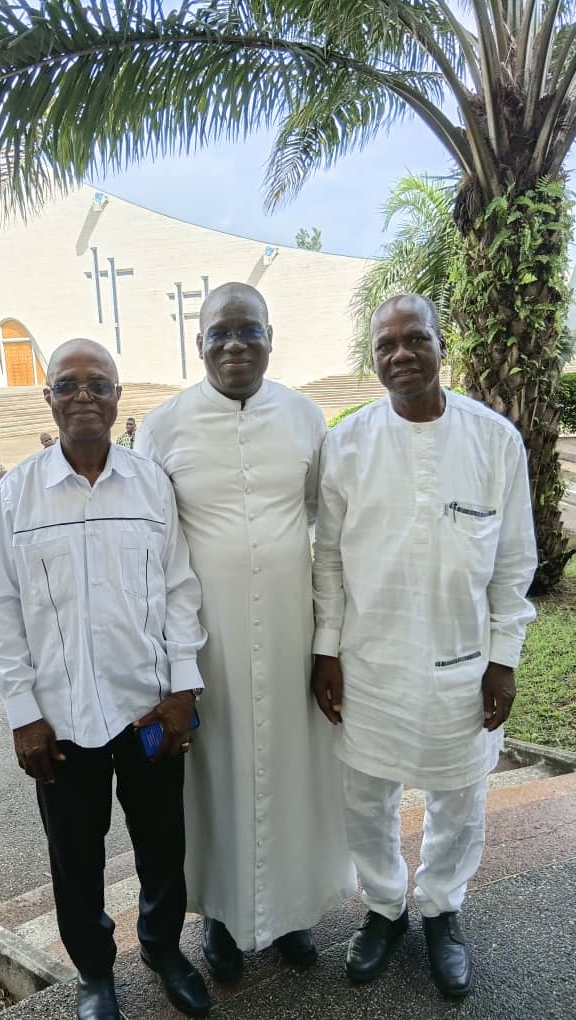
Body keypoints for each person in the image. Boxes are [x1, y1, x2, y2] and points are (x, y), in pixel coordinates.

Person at [312, 294, 538, 1000]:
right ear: (372, 356)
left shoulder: (493, 439)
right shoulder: (344, 444)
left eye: (415, 339)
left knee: (457, 795)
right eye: (385, 344)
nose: (400, 354)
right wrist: (326, 650)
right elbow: (327, 562)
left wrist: (503, 656)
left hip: (459, 664)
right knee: (366, 796)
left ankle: (441, 909)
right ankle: (384, 907)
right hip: (368, 661)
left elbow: (512, 560)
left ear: (444, 345)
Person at [0, 339, 210, 1020]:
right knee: (74, 858)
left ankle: (165, 952)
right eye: (68, 384)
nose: (84, 396)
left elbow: (179, 591)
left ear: (118, 398)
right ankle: (94, 976)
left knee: (162, 845)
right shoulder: (19, 493)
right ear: (46, 398)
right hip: (60, 719)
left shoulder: (149, 485)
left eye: (98, 384)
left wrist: (182, 689)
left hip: (147, 711)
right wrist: (22, 712)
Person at [136, 283, 355, 979]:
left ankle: (291, 915)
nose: (234, 346)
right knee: (213, 784)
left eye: (247, 331)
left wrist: (327, 643)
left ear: (269, 336)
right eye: (218, 333)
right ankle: (224, 924)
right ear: (197, 342)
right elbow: (152, 552)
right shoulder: (164, 426)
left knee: (294, 776)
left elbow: (328, 534)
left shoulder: (303, 416)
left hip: (292, 633)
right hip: (209, 646)